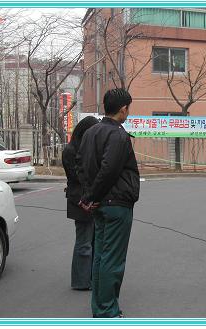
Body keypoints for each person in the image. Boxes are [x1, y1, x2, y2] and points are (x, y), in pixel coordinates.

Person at [76, 88, 140, 318]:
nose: (128, 113)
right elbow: (109, 170)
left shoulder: (90, 132)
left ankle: (100, 307)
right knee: (112, 259)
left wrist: (88, 197)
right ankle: (107, 310)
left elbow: (80, 166)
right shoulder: (119, 136)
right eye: (128, 109)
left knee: (101, 256)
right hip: (116, 204)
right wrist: (92, 196)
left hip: (100, 205)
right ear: (123, 109)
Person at [62, 115, 99, 291]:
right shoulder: (70, 151)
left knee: (92, 242)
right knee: (84, 243)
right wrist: (85, 200)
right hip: (79, 200)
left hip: (91, 199)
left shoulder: (89, 149)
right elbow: (76, 180)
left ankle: (88, 277)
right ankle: (80, 281)